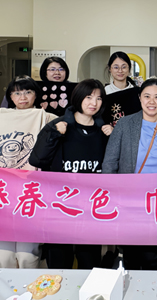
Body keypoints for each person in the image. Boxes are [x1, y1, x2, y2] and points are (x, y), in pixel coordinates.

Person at [30, 79, 111, 269]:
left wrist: (112, 136)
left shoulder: (103, 131)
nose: (94, 103)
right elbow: (37, 159)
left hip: (91, 208)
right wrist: (54, 134)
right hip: (60, 206)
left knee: (90, 262)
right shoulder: (58, 125)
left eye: (99, 98)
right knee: (59, 261)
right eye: (88, 97)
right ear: (78, 97)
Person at [102, 79, 157, 270]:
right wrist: (111, 194)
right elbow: (110, 162)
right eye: (147, 96)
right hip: (130, 199)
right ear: (139, 98)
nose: (152, 101)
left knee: (153, 253)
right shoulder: (124, 124)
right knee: (131, 251)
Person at [0, 75, 57, 268]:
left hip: (30, 193)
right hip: (2, 192)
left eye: (28, 92)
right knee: (2, 255)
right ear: (10, 96)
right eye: (17, 93)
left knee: (27, 255)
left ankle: (30, 286)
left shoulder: (48, 118)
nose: (22, 97)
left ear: (36, 95)